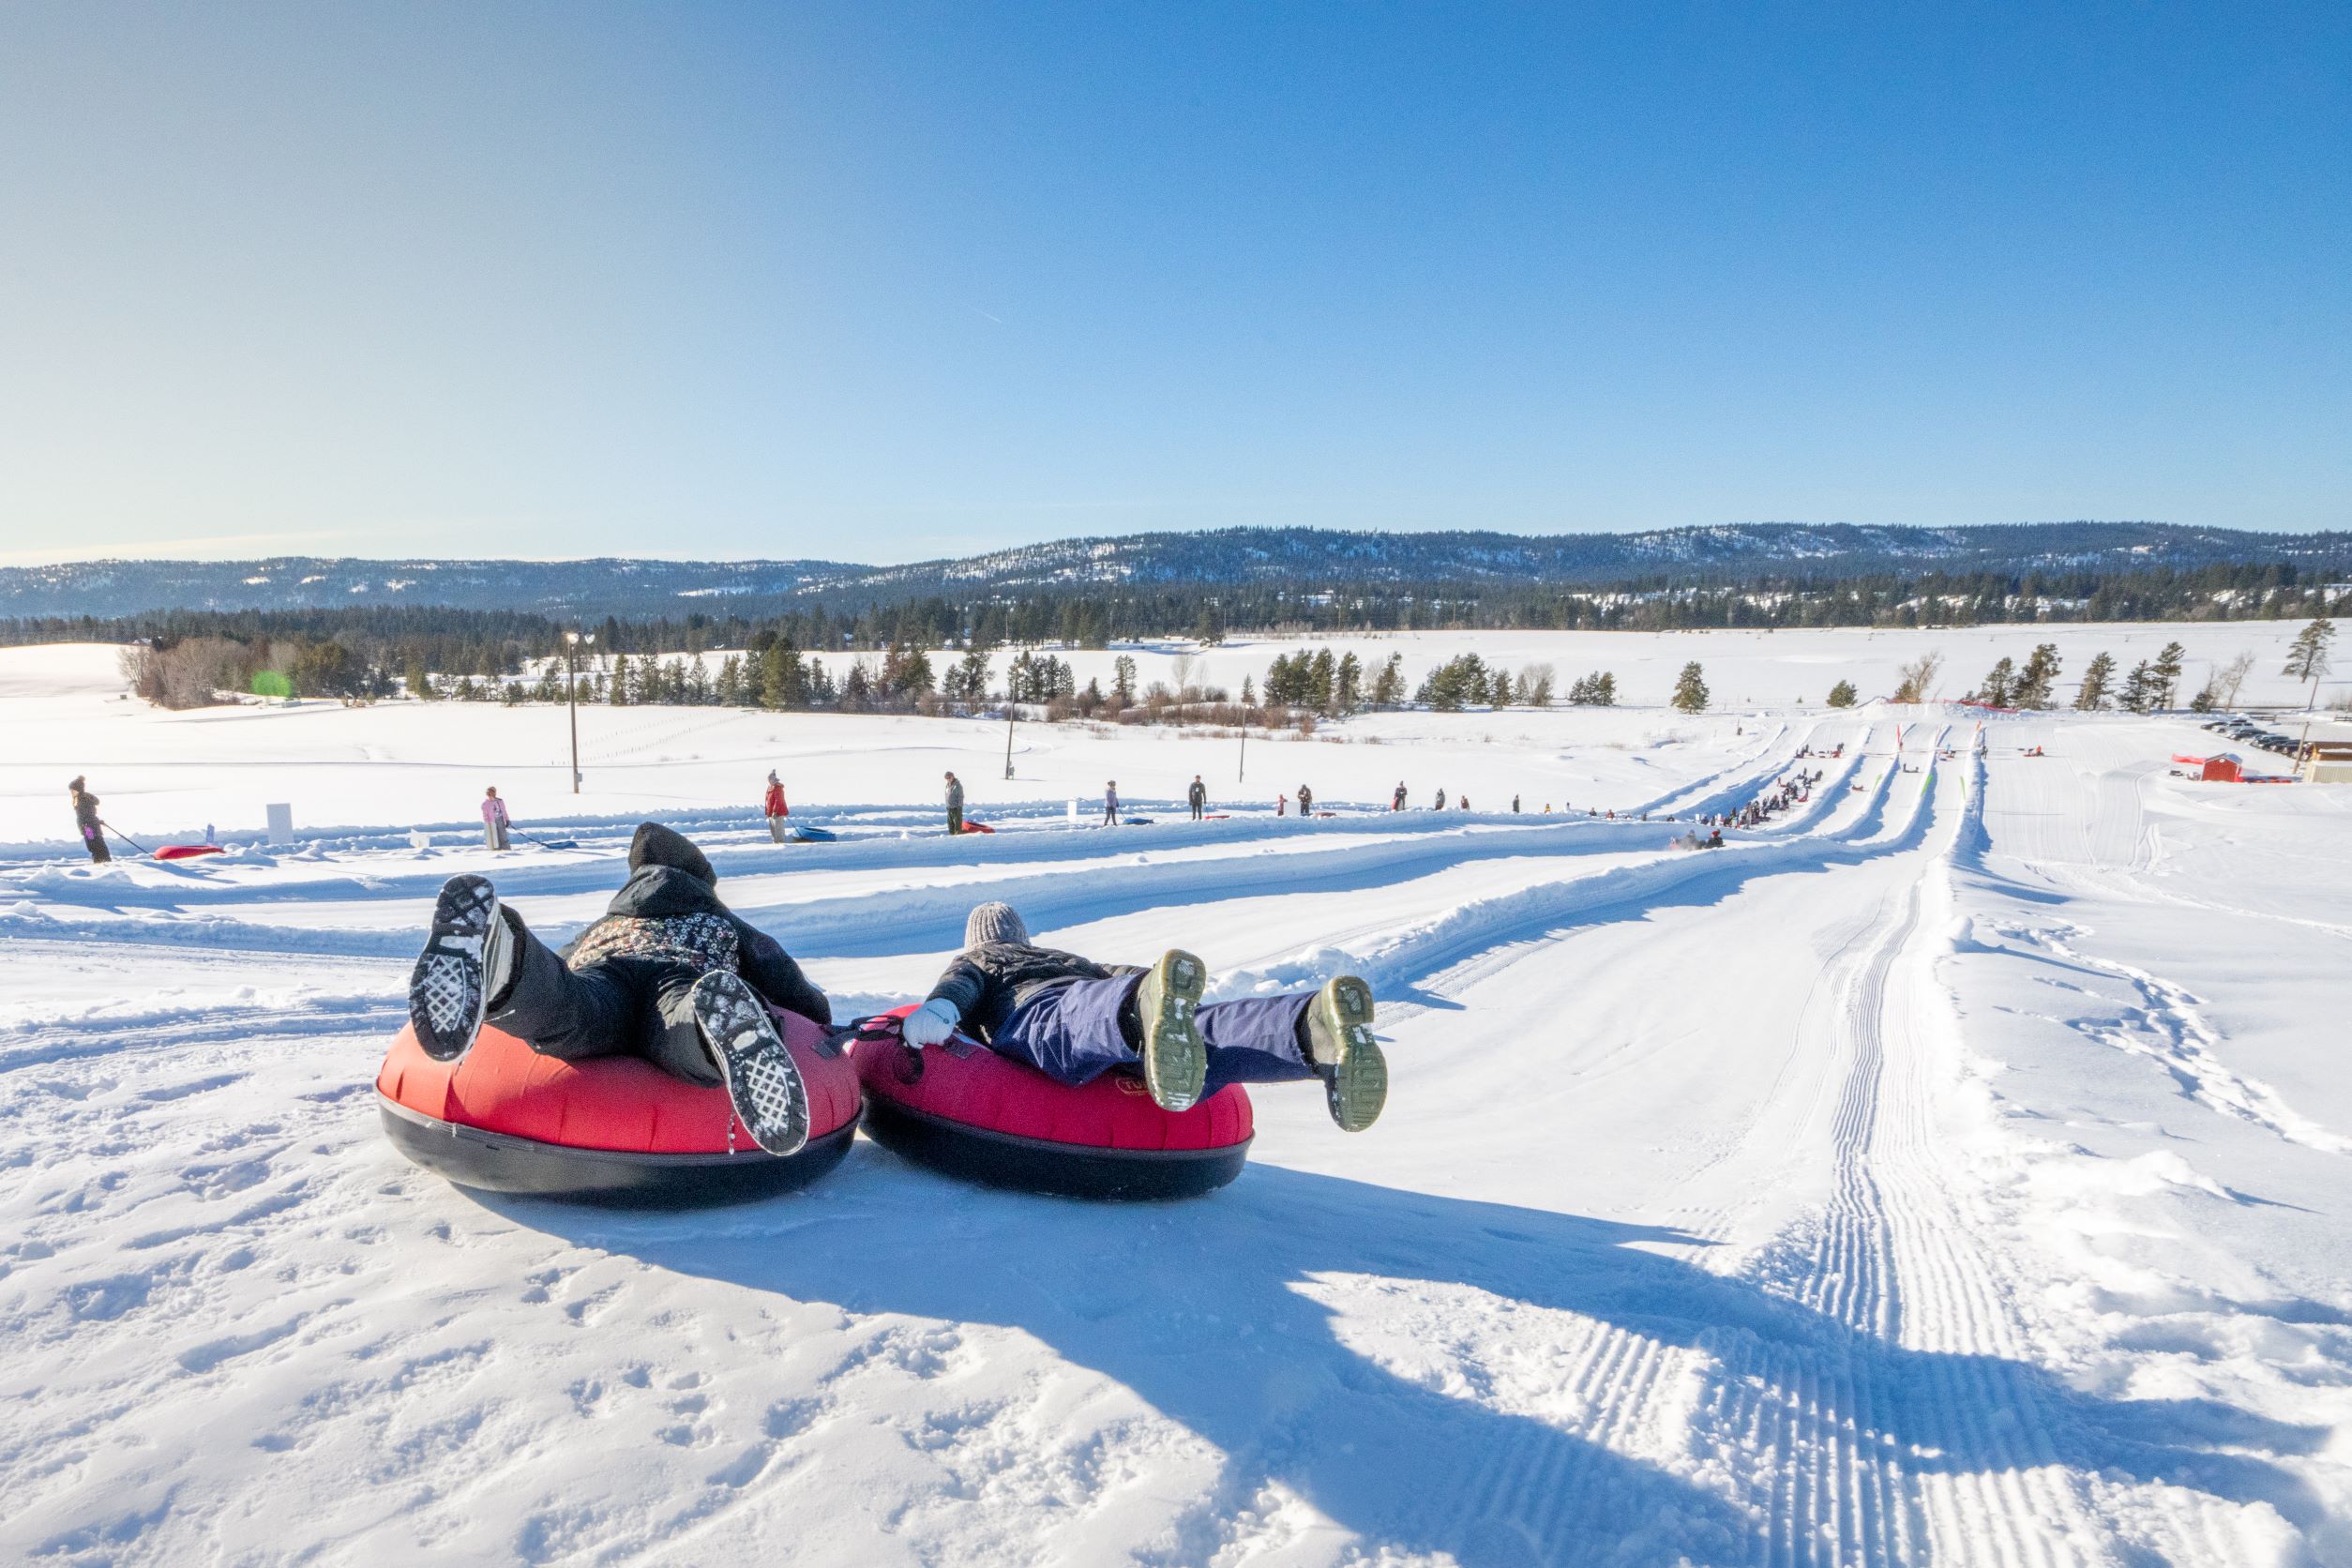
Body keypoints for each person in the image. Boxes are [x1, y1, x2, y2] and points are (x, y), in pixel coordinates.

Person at [404, 822, 827, 1153]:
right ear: (701, 880)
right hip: (681, 974)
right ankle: (713, 1021)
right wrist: (817, 1020)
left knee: (568, 1009)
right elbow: (779, 972)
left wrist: (538, 973)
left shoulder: (610, 921)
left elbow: (562, 965)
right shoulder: (722, 922)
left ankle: (503, 959)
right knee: (677, 1028)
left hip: (607, 969)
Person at [898, 902, 1386, 1131]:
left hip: (1038, 1007)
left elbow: (957, 990)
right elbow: (1114, 972)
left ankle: (1140, 1012)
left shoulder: (981, 959)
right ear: (1024, 934)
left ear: (977, 940)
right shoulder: (1065, 955)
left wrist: (939, 1010)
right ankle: (1307, 1028)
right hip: (1100, 990)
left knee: (1066, 1028)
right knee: (1201, 1035)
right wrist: (1148, 983)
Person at [68, 776, 109, 864]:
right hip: (90, 826)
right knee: (96, 844)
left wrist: (87, 824)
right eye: (71, 790)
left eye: (73, 790)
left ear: (78, 789)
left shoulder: (83, 799)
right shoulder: (82, 798)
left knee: (93, 845)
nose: (71, 792)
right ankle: (103, 861)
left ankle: (100, 862)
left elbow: (86, 814)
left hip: (88, 828)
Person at [481, 786, 511, 852]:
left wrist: (507, 820)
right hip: (492, 822)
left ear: (494, 793)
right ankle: (497, 851)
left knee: (503, 836)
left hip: (500, 820)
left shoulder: (500, 801)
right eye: (488, 792)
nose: (489, 794)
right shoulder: (485, 804)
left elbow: (504, 811)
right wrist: (488, 824)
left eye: (491, 792)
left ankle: (507, 850)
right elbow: (485, 816)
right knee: (495, 837)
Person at [763, 771, 790, 843]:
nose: (769, 781)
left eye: (770, 779)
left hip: (778, 813)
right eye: (768, 779)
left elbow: (778, 801)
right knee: (773, 830)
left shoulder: (778, 788)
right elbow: (767, 801)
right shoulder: (770, 788)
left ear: (774, 779)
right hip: (771, 813)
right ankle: (776, 843)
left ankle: (781, 844)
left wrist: (774, 811)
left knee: (778, 831)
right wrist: (767, 812)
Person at [944, 771, 964, 836]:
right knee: (950, 825)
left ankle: (958, 838)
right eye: (946, 778)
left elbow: (961, 796)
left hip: (956, 808)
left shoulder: (957, 785)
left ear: (952, 777)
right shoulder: (947, 785)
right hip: (949, 808)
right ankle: (952, 837)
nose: (948, 779)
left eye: (949, 777)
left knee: (957, 825)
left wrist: (959, 806)